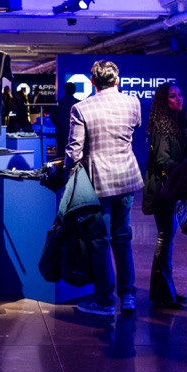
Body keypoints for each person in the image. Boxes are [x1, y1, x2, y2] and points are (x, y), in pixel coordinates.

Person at [66, 61, 144, 317]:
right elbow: (134, 130)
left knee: (100, 240)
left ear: (92, 82)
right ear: (117, 80)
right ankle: (128, 296)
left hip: (98, 182)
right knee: (123, 237)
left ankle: (104, 299)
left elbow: (75, 151)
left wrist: (67, 168)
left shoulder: (81, 108)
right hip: (127, 178)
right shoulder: (133, 103)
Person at [145, 82, 187, 309]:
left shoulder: (175, 123)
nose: (178, 99)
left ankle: (166, 291)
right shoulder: (163, 128)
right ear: (164, 100)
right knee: (165, 238)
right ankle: (163, 293)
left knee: (167, 238)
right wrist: (186, 168)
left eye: (180, 94)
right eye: (173, 96)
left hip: (168, 188)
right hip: (163, 190)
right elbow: (163, 161)